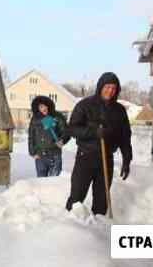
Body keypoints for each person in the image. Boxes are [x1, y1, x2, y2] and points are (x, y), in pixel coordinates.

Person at [64, 72, 132, 215]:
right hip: (86, 157)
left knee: (102, 200)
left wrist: (127, 159)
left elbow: (125, 137)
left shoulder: (119, 110)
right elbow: (72, 128)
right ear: (101, 86)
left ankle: (99, 229)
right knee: (77, 196)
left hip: (106, 159)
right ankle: (70, 228)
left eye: (114, 88)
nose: (110, 91)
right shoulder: (85, 105)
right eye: (107, 87)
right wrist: (94, 132)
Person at [28, 95, 69, 177]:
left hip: (54, 154)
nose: (43, 109)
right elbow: (31, 136)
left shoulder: (57, 116)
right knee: (41, 182)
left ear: (49, 105)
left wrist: (62, 140)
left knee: (53, 182)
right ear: (37, 108)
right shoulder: (35, 119)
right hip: (40, 155)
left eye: (44, 106)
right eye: (40, 107)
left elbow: (66, 132)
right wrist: (32, 152)